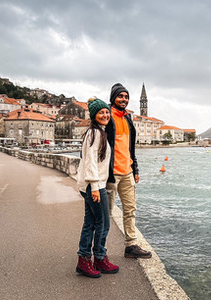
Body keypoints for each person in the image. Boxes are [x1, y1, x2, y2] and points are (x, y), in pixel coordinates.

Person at [106, 83, 152, 259]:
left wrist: (135, 168)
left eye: (126, 97)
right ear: (113, 98)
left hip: (127, 172)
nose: (123, 99)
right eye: (120, 96)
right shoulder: (107, 116)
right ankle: (101, 250)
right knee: (106, 213)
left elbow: (130, 148)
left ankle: (131, 245)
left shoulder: (128, 118)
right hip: (111, 173)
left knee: (130, 209)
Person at [76, 97, 119, 278]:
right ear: (94, 115)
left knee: (90, 223)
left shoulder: (98, 132)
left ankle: (84, 260)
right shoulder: (95, 134)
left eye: (106, 112)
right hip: (94, 185)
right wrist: (94, 187)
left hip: (89, 184)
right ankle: (99, 258)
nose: (105, 115)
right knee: (103, 223)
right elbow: (91, 162)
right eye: (101, 112)